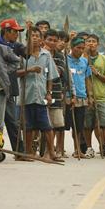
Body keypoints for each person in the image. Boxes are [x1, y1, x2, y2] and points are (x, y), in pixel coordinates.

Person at [16, 27, 61, 161]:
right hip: (26, 95)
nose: (35, 38)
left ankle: (52, 153)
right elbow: (15, 73)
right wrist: (29, 70)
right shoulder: (22, 54)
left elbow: (50, 76)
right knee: (27, 126)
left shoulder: (46, 55)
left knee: (46, 126)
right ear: (27, 39)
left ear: (41, 39)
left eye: (37, 36)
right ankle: (28, 152)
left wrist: (49, 92)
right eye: (32, 36)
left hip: (41, 96)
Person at [84, 34, 105, 159]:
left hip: (101, 96)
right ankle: (89, 148)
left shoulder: (104, 60)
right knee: (87, 125)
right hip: (86, 97)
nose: (91, 43)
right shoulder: (82, 59)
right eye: (89, 41)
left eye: (93, 41)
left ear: (98, 44)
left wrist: (97, 73)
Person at [0, 18, 25, 155]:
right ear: (6, 31)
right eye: (15, 32)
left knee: (13, 122)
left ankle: (20, 151)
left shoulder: (17, 46)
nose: (16, 35)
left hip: (9, 90)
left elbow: (26, 54)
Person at [66, 36, 92, 159]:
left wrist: (90, 95)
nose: (80, 50)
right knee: (63, 125)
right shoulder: (66, 60)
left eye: (82, 48)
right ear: (72, 47)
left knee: (79, 126)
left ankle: (78, 150)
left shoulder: (85, 61)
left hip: (82, 96)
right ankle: (59, 149)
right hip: (69, 96)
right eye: (78, 47)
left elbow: (87, 79)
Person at [44, 29, 68, 158]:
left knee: (57, 124)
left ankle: (55, 150)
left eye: (55, 40)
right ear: (44, 40)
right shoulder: (40, 54)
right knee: (45, 124)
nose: (52, 43)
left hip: (56, 93)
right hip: (41, 93)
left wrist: (49, 58)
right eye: (50, 40)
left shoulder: (60, 56)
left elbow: (57, 73)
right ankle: (46, 151)